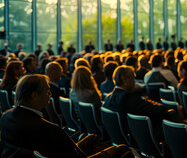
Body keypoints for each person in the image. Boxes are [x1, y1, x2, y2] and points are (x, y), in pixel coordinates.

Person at [0, 74, 131, 158]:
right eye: (47, 90)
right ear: (34, 95)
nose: (50, 94)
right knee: (122, 149)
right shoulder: (48, 129)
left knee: (92, 138)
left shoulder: (5, 117)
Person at [103, 66, 173, 139]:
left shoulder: (108, 97)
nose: (134, 82)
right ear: (125, 80)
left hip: (119, 139)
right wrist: (157, 104)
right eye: (133, 78)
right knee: (171, 113)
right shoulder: (128, 98)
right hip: (140, 138)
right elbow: (157, 111)